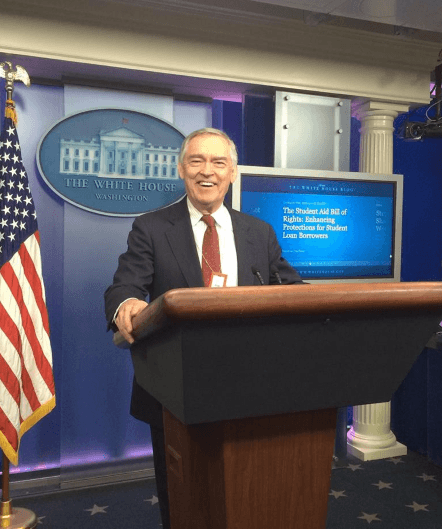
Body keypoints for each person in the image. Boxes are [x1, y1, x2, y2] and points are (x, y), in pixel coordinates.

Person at [104, 127, 303, 528]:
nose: (206, 171)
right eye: (196, 161)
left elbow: (290, 287)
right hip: (176, 387)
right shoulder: (152, 227)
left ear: (232, 172)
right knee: (184, 496)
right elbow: (125, 284)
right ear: (181, 170)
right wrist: (127, 303)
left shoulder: (257, 232)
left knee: (248, 488)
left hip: (251, 384)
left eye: (218, 162)